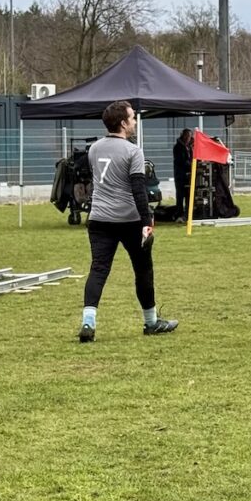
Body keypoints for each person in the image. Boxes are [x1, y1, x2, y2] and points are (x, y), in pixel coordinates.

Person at [78, 101, 178, 343]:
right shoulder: (133, 151)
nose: (134, 121)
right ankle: (151, 322)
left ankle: (88, 322)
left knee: (98, 269)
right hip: (129, 219)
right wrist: (147, 220)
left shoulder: (94, 149)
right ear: (123, 123)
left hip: (99, 218)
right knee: (143, 269)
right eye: (132, 118)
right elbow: (138, 189)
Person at [172, 128, 193, 222]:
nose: (189, 138)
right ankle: (179, 214)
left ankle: (188, 213)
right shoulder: (178, 147)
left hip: (188, 175)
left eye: (190, 136)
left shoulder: (190, 147)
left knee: (189, 195)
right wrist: (190, 164)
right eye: (187, 136)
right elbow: (181, 161)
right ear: (183, 136)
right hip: (180, 175)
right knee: (180, 196)